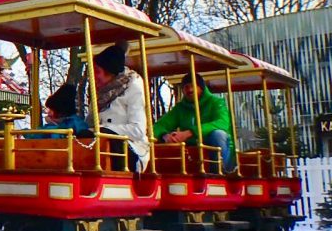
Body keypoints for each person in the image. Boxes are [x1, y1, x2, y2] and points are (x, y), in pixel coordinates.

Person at [153, 73, 235, 173]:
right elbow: (158, 126)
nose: (190, 90)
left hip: (219, 147)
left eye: (193, 86)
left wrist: (189, 133)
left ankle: (220, 173)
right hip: (191, 151)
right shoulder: (180, 108)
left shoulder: (216, 102)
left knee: (218, 134)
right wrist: (165, 136)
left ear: (201, 87)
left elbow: (222, 123)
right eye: (186, 87)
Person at [90, 41, 150, 172]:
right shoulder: (100, 93)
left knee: (107, 142)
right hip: (104, 147)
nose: (94, 76)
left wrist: (106, 130)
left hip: (131, 150)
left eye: (97, 71)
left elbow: (138, 130)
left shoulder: (133, 88)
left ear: (109, 71)